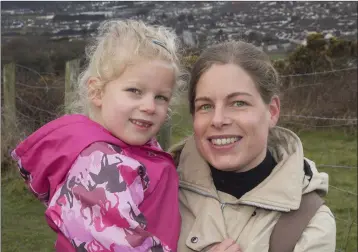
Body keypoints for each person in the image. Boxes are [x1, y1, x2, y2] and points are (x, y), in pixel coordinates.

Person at [11, 19, 184, 252]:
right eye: (135, 91)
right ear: (97, 92)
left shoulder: (127, 150)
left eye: (161, 97)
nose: (150, 106)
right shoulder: (101, 165)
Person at [169, 41, 336, 252]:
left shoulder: (308, 224)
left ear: (272, 111)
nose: (218, 120)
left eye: (238, 103)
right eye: (206, 106)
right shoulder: (154, 189)